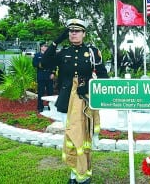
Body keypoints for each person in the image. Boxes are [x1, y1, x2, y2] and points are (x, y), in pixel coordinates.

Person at [41, 18, 108, 184]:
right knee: (72, 136)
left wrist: (89, 86)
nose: (73, 34)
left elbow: (103, 76)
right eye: (70, 31)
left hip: (86, 101)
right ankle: (74, 175)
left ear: (84, 34)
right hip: (66, 101)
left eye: (77, 31)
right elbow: (44, 63)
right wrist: (57, 40)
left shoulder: (92, 52)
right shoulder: (62, 52)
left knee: (84, 137)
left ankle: (84, 173)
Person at [32, 42, 55, 113]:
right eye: (44, 46)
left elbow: (54, 65)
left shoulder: (50, 55)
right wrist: (41, 65)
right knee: (41, 92)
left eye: (46, 46)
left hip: (49, 75)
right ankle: (40, 107)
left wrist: (53, 73)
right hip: (41, 75)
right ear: (41, 47)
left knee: (50, 92)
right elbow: (34, 64)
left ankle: (50, 106)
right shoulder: (37, 55)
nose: (46, 47)